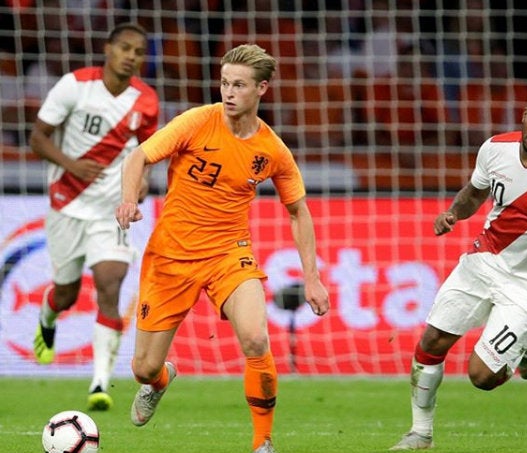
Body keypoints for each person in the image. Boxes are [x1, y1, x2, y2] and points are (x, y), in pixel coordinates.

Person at [115, 44, 330, 453]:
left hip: (229, 254)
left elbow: (298, 212)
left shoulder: (271, 150)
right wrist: (129, 199)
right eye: (224, 83)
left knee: (255, 340)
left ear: (262, 88)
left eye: (239, 85)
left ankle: (262, 442)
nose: (228, 92)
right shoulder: (197, 122)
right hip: (171, 255)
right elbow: (138, 157)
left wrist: (313, 279)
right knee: (144, 368)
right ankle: (160, 381)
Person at [389, 83, 527, 451]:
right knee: (431, 341)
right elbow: (475, 192)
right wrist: (453, 213)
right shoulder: (495, 148)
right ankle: (420, 433)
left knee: (481, 377)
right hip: (483, 260)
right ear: (524, 113)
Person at [30, 22, 159, 411]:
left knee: (110, 284)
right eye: (124, 48)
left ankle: (100, 382)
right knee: (66, 293)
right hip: (67, 203)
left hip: (111, 209)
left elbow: (148, 154)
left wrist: (142, 183)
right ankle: (48, 318)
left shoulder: (147, 102)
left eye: (138, 51)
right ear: (108, 49)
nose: (130, 56)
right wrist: (72, 165)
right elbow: (38, 137)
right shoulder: (75, 85)